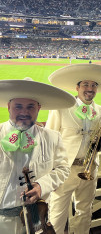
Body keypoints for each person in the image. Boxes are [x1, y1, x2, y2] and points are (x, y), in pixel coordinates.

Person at [46, 63, 101, 234]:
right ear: (77, 87)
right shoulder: (61, 108)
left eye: (94, 85)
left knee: (85, 211)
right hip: (64, 170)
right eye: (86, 85)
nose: (90, 89)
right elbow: (49, 139)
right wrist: (50, 171)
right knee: (57, 214)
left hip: (90, 168)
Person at [0, 78, 75, 234]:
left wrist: (42, 185)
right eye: (18, 106)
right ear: (8, 107)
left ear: (39, 108)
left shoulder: (53, 137)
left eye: (30, 107)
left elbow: (63, 169)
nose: (24, 112)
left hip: (36, 217)